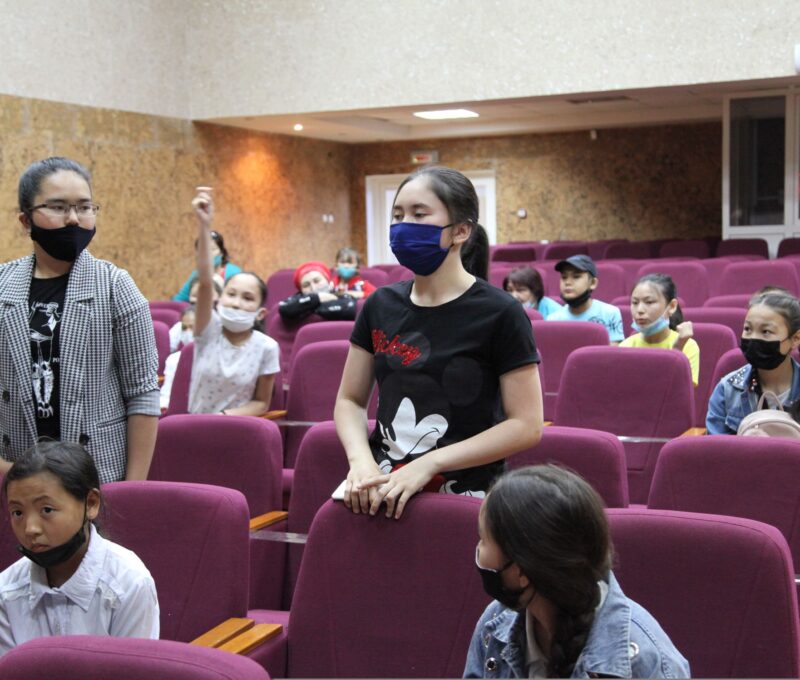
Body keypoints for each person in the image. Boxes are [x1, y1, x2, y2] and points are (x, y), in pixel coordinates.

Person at [335, 166, 543, 519]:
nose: (403, 226)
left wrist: (430, 463)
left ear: (461, 230)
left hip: (466, 493)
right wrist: (361, 463)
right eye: (398, 215)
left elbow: (526, 425)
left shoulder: (501, 312)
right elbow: (350, 400)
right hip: (380, 486)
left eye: (419, 214)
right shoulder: (380, 304)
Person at [0, 157, 159, 484]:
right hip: (17, 472)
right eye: (58, 207)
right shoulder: (3, 285)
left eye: (84, 207)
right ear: (26, 220)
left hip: (100, 474)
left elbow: (142, 394)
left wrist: (134, 488)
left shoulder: (115, 286)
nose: (74, 218)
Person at [465, 465, 690, 678]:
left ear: (521, 571)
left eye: (483, 539)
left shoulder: (644, 660)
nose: (477, 549)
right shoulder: (496, 620)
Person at [0, 441, 159, 655]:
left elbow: (134, 668)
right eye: (18, 513)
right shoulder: (5, 591)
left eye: (46, 510)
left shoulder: (129, 583)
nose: (30, 529)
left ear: (91, 503)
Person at [188, 187, 280, 416]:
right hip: (196, 427)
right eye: (231, 294)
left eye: (247, 298)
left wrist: (223, 419)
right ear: (220, 299)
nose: (236, 303)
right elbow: (206, 282)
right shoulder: (208, 330)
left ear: (260, 313)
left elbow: (261, 403)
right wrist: (204, 225)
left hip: (236, 427)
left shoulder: (267, 347)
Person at [707, 291, 800, 434]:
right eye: (747, 329)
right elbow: (716, 446)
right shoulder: (727, 389)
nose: (753, 338)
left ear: (795, 339)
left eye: (766, 331)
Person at [620, 274, 699, 385]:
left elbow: (680, 391)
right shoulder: (625, 347)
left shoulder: (687, 346)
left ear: (672, 306)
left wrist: (677, 349)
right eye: (635, 303)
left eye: (649, 302)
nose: (640, 310)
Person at [546, 255, 624, 343]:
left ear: (593, 283)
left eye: (576, 276)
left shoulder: (609, 313)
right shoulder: (553, 320)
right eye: (564, 277)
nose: (567, 282)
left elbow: (612, 350)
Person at [172, 229, 241, 302]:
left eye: (212, 249)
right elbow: (179, 300)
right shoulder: (197, 274)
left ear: (222, 253)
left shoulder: (234, 273)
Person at [278, 261, 357, 321]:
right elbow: (285, 309)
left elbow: (350, 309)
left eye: (317, 281)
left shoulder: (342, 296)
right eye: (306, 285)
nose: (313, 288)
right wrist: (317, 298)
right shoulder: (297, 298)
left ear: (328, 282)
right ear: (301, 290)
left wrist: (310, 307)